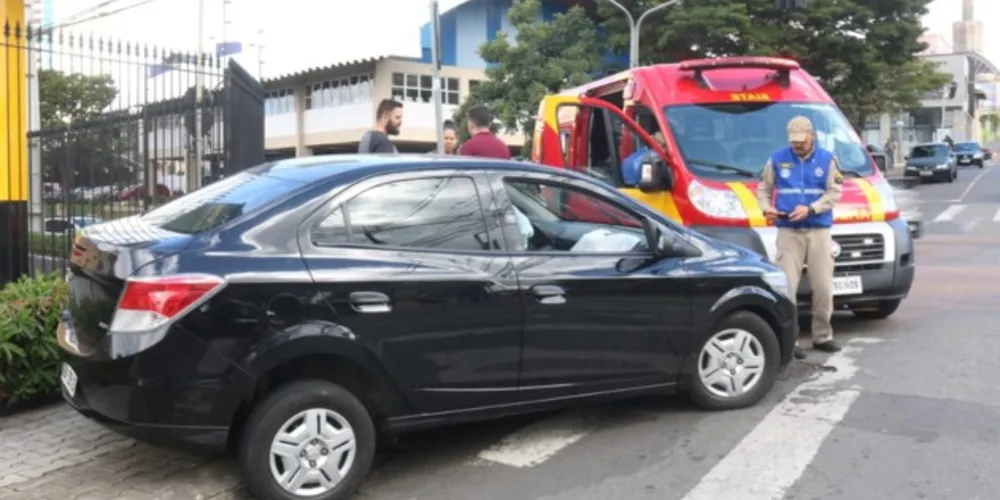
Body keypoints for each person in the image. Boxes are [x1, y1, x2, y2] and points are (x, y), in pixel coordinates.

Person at [756, 116, 844, 355]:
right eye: (793, 142)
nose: (797, 146)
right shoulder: (777, 159)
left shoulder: (827, 160)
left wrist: (812, 208)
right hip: (788, 231)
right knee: (786, 287)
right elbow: (763, 189)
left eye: (801, 141)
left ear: (812, 136)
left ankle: (822, 336)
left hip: (818, 230)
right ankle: (789, 339)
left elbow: (835, 193)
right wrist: (766, 208)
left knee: (824, 286)